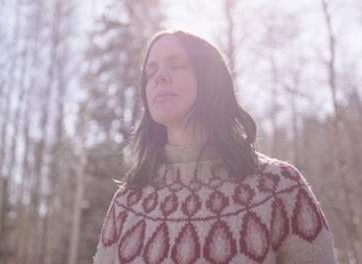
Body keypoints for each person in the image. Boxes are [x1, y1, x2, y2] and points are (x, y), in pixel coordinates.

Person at [94, 29, 336, 264]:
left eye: (177, 64)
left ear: (211, 79)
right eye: (151, 71)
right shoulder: (127, 202)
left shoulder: (280, 187)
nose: (159, 77)